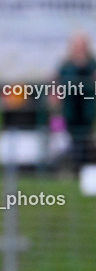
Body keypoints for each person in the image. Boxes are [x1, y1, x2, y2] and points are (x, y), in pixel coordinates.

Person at [54, 34, 96, 172]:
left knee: (86, 139)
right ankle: (74, 168)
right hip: (70, 110)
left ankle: (84, 169)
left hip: (88, 110)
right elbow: (57, 83)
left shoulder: (92, 64)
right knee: (71, 141)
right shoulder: (66, 65)